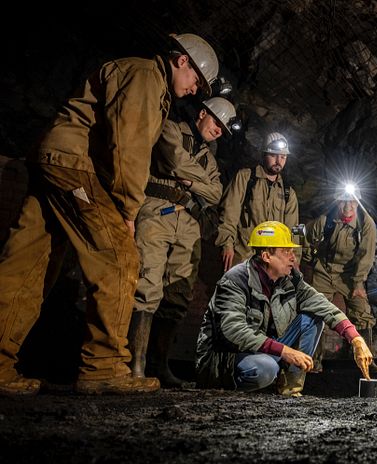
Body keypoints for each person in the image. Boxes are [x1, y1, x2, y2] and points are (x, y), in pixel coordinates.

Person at [0, 33, 219, 396]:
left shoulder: (139, 74)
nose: (196, 89)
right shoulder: (148, 75)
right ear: (182, 60)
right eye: (197, 79)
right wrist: (127, 210)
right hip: (76, 167)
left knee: (27, 266)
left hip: (55, 158)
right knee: (119, 258)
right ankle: (103, 367)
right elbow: (129, 146)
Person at [128, 97, 236, 388]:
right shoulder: (171, 129)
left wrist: (189, 180)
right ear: (202, 114)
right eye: (216, 123)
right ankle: (134, 365)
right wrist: (197, 181)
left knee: (178, 294)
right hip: (156, 211)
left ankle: (159, 365)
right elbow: (172, 159)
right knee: (146, 283)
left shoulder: (210, 160)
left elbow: (215, 193)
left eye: (223, 130)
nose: (218, 131)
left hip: (189, 221)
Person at [195, 221, 374, 396]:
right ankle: (233, 391)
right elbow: (234, 331)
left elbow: (321, 304)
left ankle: (290, 389)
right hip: (227, 360)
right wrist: (285, 351)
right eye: (285, 251)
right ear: (266, 256)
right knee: (266, 368)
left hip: (264, 349)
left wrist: (355, 339)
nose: (293, 257)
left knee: (312, 318)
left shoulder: (288, 279)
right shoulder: (235, 281)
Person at [302, 186, 377, 373]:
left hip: (350, 274)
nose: (348, 206)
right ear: (337, 202)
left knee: (362, 312)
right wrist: (309, 262)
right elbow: (304, 237)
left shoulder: (366, 224)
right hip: (324, 270)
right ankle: (312, 361)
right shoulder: (325, 220)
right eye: (343, 201)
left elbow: (366, 256)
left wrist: (358, 283)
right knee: (315, 312)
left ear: (358, 202)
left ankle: (366, 361)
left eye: (352, 201)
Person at [215, 132, 299, 271]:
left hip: (272, 261)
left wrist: (294, 258)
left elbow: (293, 229)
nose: (279, 161)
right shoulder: (246, 178)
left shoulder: (288, 192)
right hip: (243, 255)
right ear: (263, 154)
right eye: (273, 155)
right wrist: (227, 245)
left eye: (283, 157)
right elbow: (229, 214)